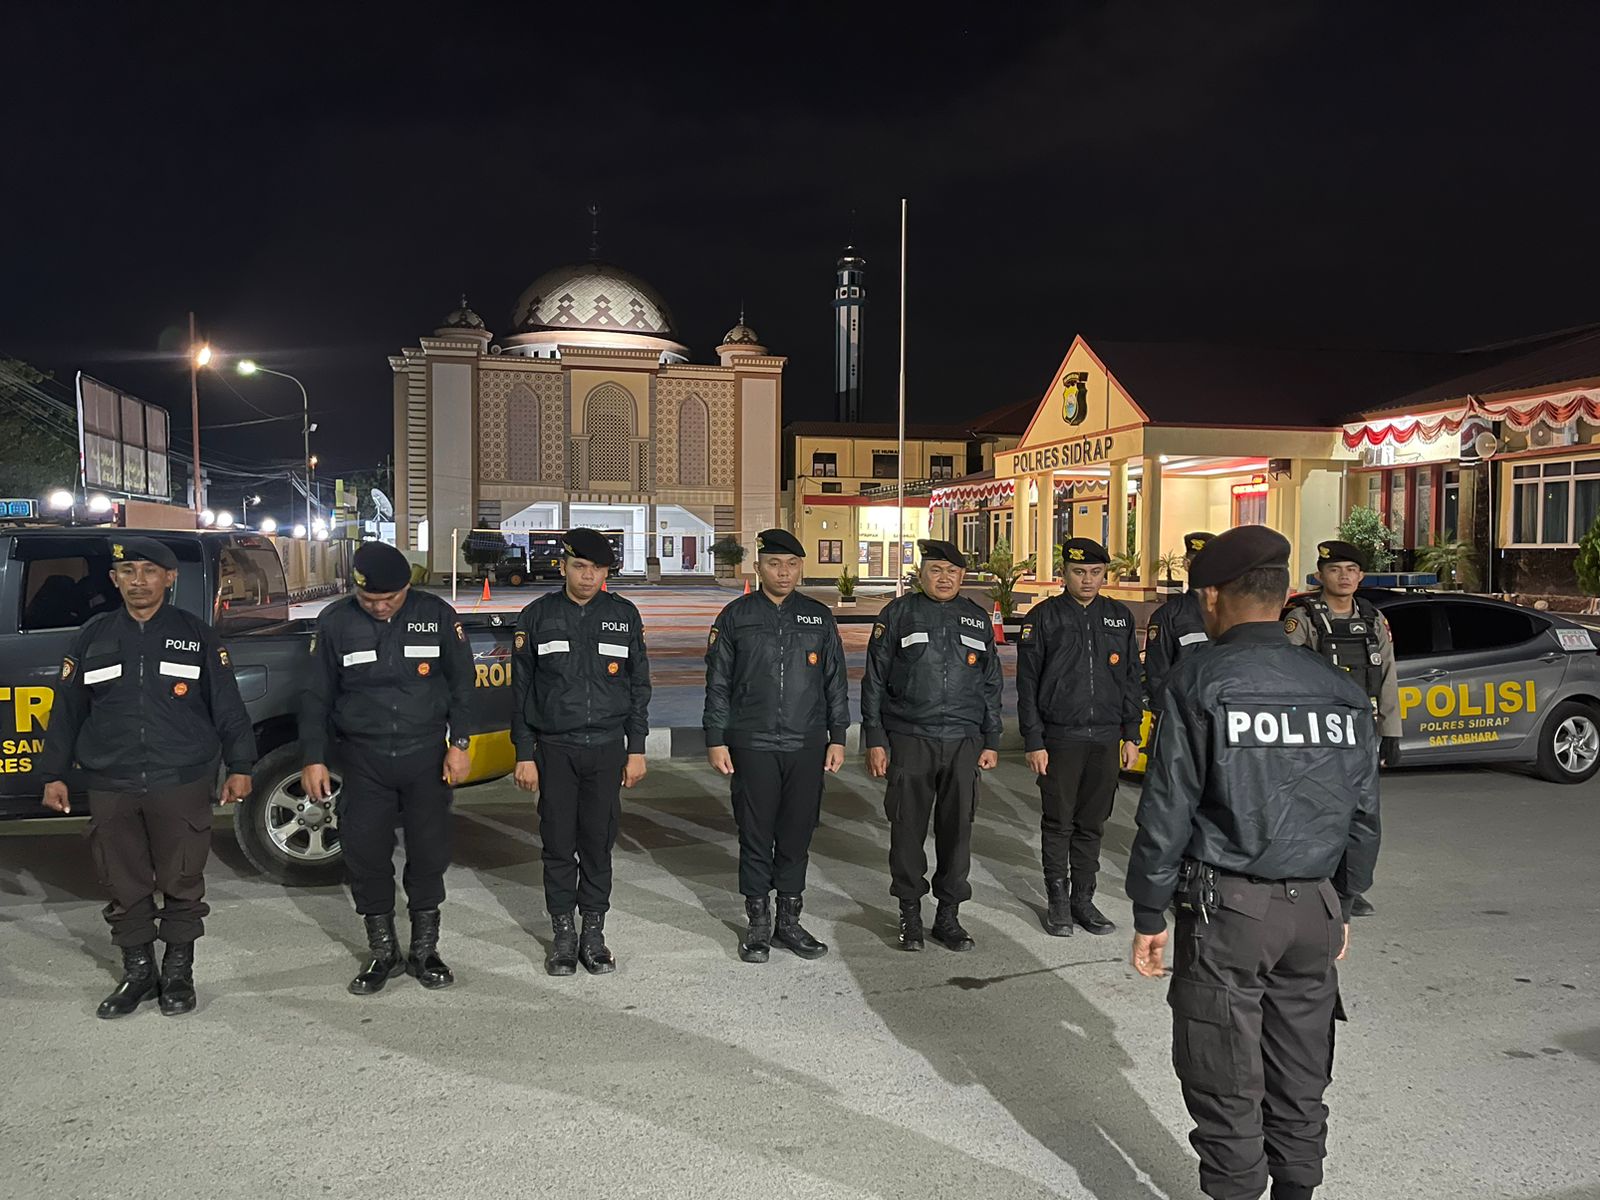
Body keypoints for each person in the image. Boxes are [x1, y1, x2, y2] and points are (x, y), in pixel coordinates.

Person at [1126, 525, 1381, 1200]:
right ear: (1283, 594)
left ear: (1213, 596)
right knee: (1301, 1078)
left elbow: (1167, 807)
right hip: (1315, 912)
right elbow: (1363, 812)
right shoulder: (1338, 687)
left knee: (1226, 1082)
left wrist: (1149, 910)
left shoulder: (1199, 679)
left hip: (1229, 912)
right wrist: (1346, 902)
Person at [39, 537, 256, 1018]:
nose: (139, 580)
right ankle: (139, 973)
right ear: (114, 579)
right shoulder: (92, 636)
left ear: (169, 578)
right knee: (123, 880)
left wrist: (241, 765)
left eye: (149, 571)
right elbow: (67, 710)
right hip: (111, 779)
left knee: (182, 877)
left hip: (179, 778)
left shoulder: (196, 635)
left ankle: (178, 973)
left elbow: (229, 708)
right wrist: (53, 773)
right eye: (128, 571)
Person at [300, 540, 474, 995]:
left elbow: (462, 683)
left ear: (406, 588)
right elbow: (316, 694)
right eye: (369, 600)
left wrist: (459, 743)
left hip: (425, 756)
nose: (378, 607)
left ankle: (425, 950)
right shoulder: (336, 622)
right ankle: (383, 952)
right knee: (365, 852)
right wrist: (313, 757)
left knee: (429, 850)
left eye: (389, 599)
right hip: (363, 758)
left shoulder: (436, 614)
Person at [703, 529, 849, 962]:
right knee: (755, 833)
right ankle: (758, 925)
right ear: (758, 567)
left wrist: (837, 737)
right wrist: (716, 738)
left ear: (801, 568)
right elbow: (718, 684)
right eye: (774, 564)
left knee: (796, 834)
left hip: (806, 743)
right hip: (753, 743)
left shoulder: (818, 617)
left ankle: (789, 920)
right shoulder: (735, 617)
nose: (783, 573)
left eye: (791, 565)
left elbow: (835, 683)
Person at [511, 528, 651, 976]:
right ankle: (562, 937)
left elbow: (638, 687)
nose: (588, 576)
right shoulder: (537, 616)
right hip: (555, 750)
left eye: (596, 569)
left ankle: (593, 932)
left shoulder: (624, 616)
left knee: (597, 844)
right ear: (563, 566)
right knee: (557, 845)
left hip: (607, 749)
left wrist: (637, 749)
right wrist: (524, 753)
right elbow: (521, 691)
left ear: (606, 572)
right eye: (579, 567)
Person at [860, 539, 1001, 952]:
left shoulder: (976, 619)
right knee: (907, 829)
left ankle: (948, 916)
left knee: (957, 832)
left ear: (962, 576)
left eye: (952, 571)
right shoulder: (898, 615)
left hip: (963, 740)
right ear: (921, 573)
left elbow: (991, 684)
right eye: (936, 569)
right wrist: (875, 739)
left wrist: (991, 739)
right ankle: (909, 915)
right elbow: (874, 681)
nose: (944, 578)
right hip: (910, 737)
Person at [1016, 537, 1142, 937]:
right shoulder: (1043, 618)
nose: (1087, 580)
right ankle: (1057, 902)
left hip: (1105, 737)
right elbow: (1027, 686)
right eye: (1079, 572)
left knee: (1093, 822)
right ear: (1063, 575)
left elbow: (1129, 681)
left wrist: (1131, 734)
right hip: (1060, 738)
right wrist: (1034, 740)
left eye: (1095, 572)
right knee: (1059, 822)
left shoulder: (1119, 617)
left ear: (1105, 574)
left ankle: (1083, 900)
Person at [1282, 539, 1399, 917]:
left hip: (1362, 731)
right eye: (1335, 570)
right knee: (1313, 812)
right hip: (1317, 731)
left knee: (1362, 816)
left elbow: (1387, 676)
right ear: (1320, 575)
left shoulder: (1373, 620)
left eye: (1351, 570)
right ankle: (1312, 884)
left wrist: (1392, 732)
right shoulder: (1302, 617)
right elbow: (1287, 675)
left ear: (1361, 576)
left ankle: (1351, 887)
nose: (1344, 576)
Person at [1143, 530, 1216, 707]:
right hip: (1184, 714)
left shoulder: (1231, 611)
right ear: (1186, 564)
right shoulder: (1168, 616)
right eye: (1198, 562)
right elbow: (1157, 678)